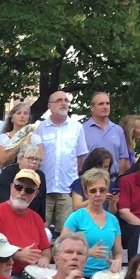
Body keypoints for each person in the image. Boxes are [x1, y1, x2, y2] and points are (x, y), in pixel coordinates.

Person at [0, 168, 52, 276]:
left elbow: (45, 249)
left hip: (29, 275)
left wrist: (45, 259)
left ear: (35, 194)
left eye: (29, 190)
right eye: (18, 187)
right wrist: (16, 255)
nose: (22, 193)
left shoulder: (36, 218)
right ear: (11, 187)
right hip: (2, 275)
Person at [36, 90, 88, 231]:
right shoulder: (40, 128)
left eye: (66, 100)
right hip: (44, 188)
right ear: (49, 105)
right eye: (59, 100)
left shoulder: (77, 127)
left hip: (67, 189)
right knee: (40, 230)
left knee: (66, 233)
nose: (64, 103)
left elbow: (80, 157)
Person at [60, 168, 124, 279]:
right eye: (93, 191)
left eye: (102, 190)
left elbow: (118, 252)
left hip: (103, 277)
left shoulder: (113, 220)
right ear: (86, 193)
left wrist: (118, 261)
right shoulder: (77, 217)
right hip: (78, 275)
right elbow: (60, 247)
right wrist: (87, 252)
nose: (98, 194)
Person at [0, 143, 47, 219]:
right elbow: (1, 198)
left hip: (29, 217)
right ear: (20, 159)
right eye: (31, 158)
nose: (34, 162)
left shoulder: (40, 176)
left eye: (37, 159)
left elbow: (41, 202)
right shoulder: (8, 173)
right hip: (2, 215)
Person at [82, 92, 132, 174]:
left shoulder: (118, 130)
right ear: (91, 107)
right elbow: (78, 157)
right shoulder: (82, 129)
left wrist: (119, 179)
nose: (105, 107)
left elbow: (123, 157)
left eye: (107, 104)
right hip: (89, 179)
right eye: (101, 104)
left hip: (113, 179)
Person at [69, 148, 118, 213]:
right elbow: (76, 208)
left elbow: (112, 213)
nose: (102, 169)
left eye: (106, 167)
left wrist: (112, 203)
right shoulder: (79, 183)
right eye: (99, 166)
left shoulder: (111, 185)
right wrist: (97, 198)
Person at [0, 101, 35, 168]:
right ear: (12, 118)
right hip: (8, 175)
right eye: (19, 113)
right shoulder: (3, 138)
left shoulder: (34, 137)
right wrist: (19, 145)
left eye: (25, 113)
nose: (22, 116)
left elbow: (39, 160)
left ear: (28, 118)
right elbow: (2, 162)